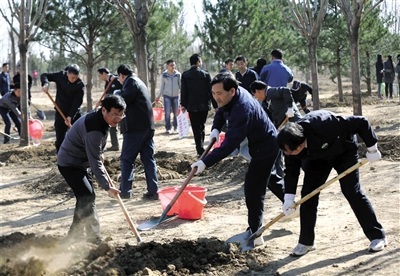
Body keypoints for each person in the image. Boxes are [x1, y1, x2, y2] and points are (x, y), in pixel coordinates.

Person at [277, 110, 386, 256]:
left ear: (301, 144)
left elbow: (361, 122)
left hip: (343, 151)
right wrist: (288, 199)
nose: (287, 154)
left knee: (351, 191)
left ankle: (377, 236)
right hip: (317, 160)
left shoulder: (325, 124)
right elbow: (291, 172)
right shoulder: (289, 147)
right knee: (308, 196)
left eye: (289, 152)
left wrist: (372, 148)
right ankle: (306, 242)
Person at [191, 71, 280, 246]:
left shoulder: (242, 108)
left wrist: (204, 162)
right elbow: (221, 108)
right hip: (257, 142)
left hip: (265, 146)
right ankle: (290, 204)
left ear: (232, 91)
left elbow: (229, 145)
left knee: (253, 189)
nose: (216, 97)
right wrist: (216, 128)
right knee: (268, 180)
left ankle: (255, 233)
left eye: (219, 93)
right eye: (213, 93)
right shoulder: (228, 95)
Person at [57, 95, 125, 244]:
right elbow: (95, 163)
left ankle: (74, 236)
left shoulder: (101, 120)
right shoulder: (94, 128)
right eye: (115, 114)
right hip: (70, 163)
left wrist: (99, 152)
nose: (118, 118)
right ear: (104, 110)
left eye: (121, 115)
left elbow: (95, 152)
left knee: (84, 198)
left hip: (82, 162)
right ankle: (93, 239)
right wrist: (107, 187)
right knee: (87, 196)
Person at [116, 64, 159, 200]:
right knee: (148, 159)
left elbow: (122, 102)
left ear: (122, 75)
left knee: (127, 159)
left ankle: (124, 192)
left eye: (119, 78)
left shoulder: (131, 82)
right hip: (147, 127)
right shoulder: (139, 81)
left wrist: (116, 94)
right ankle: (153, 190)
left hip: (135, 128)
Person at [41, 64, 85, 152]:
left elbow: (77, 103)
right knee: (60, 137)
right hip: (60, 111)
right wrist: (46, 83)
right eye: (72, 77)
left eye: (76, 77)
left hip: (73, 113)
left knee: (79, 135)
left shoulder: (80, 85)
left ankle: (81, 155)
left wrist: (70, 116)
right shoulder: (60, 76)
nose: (74, 80)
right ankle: (61, 157)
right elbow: (44, 75)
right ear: (67, 73)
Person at [181, 53, 216, 157]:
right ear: (198, 63)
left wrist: (183, 104)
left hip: (191, 105)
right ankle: (201, 148)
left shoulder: (185, 75)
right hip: (204, 105)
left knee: (195, 127)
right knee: (202, 126)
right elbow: (211, 92)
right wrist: (215, 106)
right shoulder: (205, 74)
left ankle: (199, 149)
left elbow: (184, 91)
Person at [97, 67, 123, 151]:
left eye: (100, 75)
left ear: (104, 73)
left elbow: (122, 82)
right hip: (112, 109)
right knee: (112, 126)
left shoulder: (115, 79)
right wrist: (102, 102)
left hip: (121, 108)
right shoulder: (106, 84)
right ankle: (115, 145)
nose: (100, 78)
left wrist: (115, 76)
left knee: (123, 126)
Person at [155, 59, 181, 134]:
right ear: (167, 66)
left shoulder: (178, 74)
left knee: (176, 112)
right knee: (167, 113)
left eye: (174, 65)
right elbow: (161, 87)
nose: (173, 66)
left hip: (176, 96)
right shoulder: (164, 75)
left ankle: (176, 127)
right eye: (171, 65)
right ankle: (168, 128)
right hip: (167, 96)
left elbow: (180, 86)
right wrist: (158, 97)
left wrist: (183, 96)